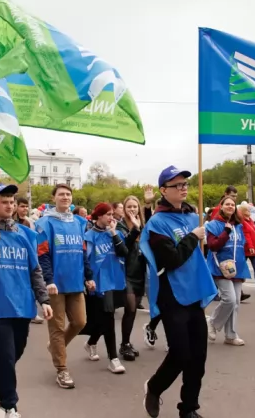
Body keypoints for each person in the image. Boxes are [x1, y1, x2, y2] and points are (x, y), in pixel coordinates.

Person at [0, 184, 53, 417]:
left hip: (22, 305)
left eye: (12, 201)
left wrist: (44, 299)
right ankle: (10, 406)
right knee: (5, 357)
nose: (9, 205)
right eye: (4, 201)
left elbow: (35, 270)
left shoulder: (25, 234)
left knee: (15, 353)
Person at [140, 166, 217, 418]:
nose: (183, 188)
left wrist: (206, 238)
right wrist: (193, 237)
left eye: (185, 184)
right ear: (163, 190)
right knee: (181, 353)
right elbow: (171, 260)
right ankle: (154, 387)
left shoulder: (193, 217)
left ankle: (188, 409)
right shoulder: (157, 223)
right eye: (177, 185)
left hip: (193, 293)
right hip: (172, 295)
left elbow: (202, 251)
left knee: (198, 357)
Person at [36, 184, 95, 389]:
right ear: (54, 198)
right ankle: (61, 369)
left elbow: (83, 251)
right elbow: (43, 254)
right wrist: (49, 280)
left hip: (76, 282)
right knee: (57, 327)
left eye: (68, 194)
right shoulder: (44, 223)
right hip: (55, 285)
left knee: (80, 322)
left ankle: (55, 346)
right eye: (61, 194)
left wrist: (88, 276)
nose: (65, 197)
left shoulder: (79, 222)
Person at [82, 203, 129, 373]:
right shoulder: (88, 236)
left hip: (115, 279)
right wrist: (87, 280)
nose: (111, 217)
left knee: (105, 318)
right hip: (98, 282)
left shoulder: (115, 233)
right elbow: (85, 260)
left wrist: (114, 233)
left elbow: (124, 252)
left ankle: (91, 342)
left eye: (112, 214)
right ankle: (113, 358)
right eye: (107, 214)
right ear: (99, 216)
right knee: (107, 318)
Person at [206, 196, 250, 345]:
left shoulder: (238, 226)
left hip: (236, 267)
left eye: (233, 204)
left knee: (236, 302)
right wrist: (225, 231)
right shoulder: (214, 225)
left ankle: (231, 335)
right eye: (227, 204)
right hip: (220, 267)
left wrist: (243, 265)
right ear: (221, 206)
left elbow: (241, 246)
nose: (230, 206)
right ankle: (212, 322)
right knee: (229, 299)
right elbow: (213, 245)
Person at [116, 195, 146, 361]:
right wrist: (135, 228)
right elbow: (124, 248)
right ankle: (124, 345)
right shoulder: (120, 227)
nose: (132, 209)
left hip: (140, 273)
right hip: (125, 273)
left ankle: (126, 342)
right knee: (131, 308)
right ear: (124, 209)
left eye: (135, 206)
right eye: (129, 207)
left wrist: (148, 204)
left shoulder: (143, 226)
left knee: (132, 312)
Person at [239, 202, 255, 294]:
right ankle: (239, 286)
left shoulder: (251, 221)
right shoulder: (243, 222)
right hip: (246, 249)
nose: (249, 210)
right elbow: (246, 235)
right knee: (241, 267)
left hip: (254, 249)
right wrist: (250, 246)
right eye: (247, 209)